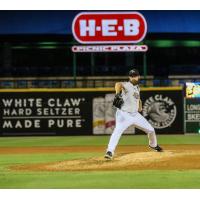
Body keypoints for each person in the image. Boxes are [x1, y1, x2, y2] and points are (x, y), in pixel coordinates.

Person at [104, 68, 163, 160]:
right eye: (132, 76)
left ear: (138, 76)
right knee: (117, 131)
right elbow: (118, 84)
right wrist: (117, 94)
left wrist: (140, 106)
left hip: (135, 115)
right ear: (129, 77)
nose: (133, 78)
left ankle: (153, 145)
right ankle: (110, 151)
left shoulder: (137, 87)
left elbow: (138, 99)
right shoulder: (127, 85)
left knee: (151, 130)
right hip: (124, 114)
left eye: (135, 76)